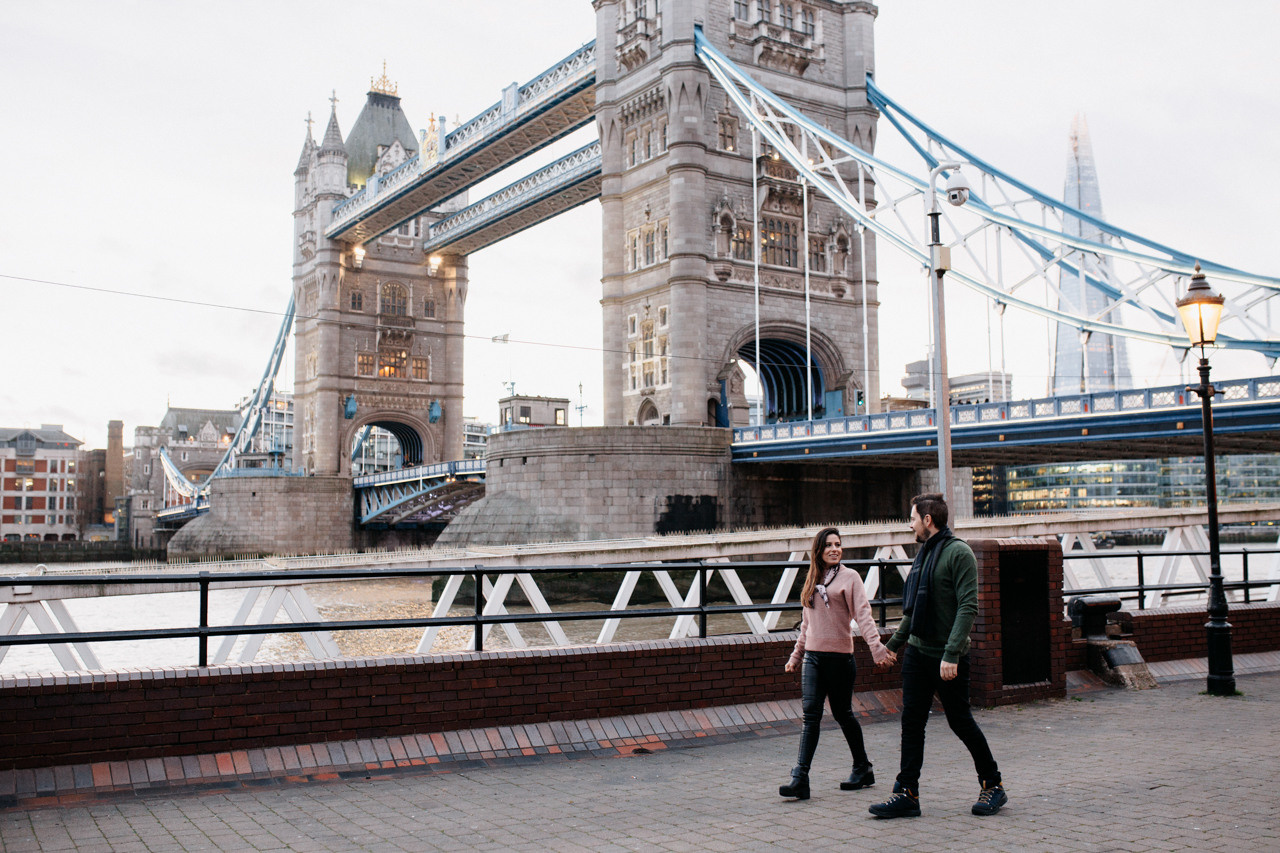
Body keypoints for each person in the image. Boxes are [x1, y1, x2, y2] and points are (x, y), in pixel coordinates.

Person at [868, 493, 1007, 819]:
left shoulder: (959, 554)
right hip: (918, 654)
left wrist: (951, 654)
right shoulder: (925, 554)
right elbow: (913, 612)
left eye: (913, 517)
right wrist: (894, 646)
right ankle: (907, 794)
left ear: (928, 520)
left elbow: (967, 607)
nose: (910, 523)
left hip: (948, 657)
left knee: (960, 722)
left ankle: (993, 785)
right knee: (911, 723)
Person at [778, 526, 891, 800]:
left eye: (838, 544)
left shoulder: (850, 578)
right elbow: (806, 625)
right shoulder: (812, 579)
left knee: (843, 715)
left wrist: (876, 648)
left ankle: (862, 767)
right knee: (811, 716)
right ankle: (799, 778)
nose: (834, 549)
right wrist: (796, 656)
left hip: (841, 660)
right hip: (813, 659)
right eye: (828, 545)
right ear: (819, 550)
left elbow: (863, 616)